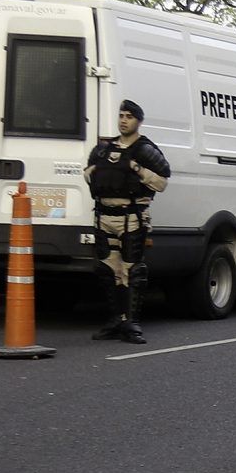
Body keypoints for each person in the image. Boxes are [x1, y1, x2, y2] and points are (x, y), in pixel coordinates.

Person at [84, 99, 171, 344]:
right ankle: (115, 320)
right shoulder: (103, 149)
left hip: (131, 217)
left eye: (129, 116)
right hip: (104, 215)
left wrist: (137, 170)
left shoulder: (145, 150)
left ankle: (131, 323)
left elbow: (163, 181)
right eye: (121, 115)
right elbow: (88, 173)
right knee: (108, 269)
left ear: (138, 121)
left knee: (131, 269)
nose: (123, 120)